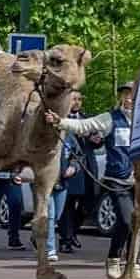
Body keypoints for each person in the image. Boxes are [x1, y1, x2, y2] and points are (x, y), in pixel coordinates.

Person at [49, 81, 140, 279]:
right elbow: (84, 125)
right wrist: (60, 122)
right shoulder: (111, 119)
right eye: (126, 95)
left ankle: (133, 265)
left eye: (133, 95)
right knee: (126, 221)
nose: (129, 99)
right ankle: (113, 260)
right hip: (117, 179)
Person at [57, 90, 95, 253]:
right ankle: (66, 239)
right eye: (74, 99)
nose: (77, 102)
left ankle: (72, 232)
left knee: (88, 204)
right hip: (69, 166)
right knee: (68, 204)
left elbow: (96, 142)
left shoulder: (88, 119)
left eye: (80, 99)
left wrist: (97, 140)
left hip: (88, 167)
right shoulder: (61, 119)